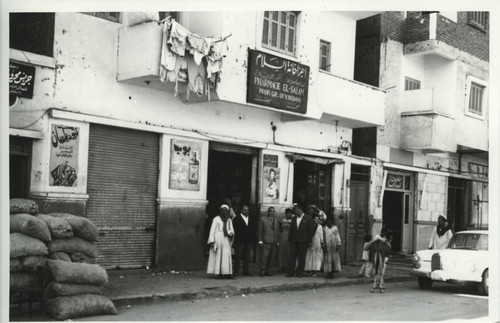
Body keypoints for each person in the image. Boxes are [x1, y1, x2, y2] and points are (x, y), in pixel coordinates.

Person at [206, 204, 235, 279]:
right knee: (218, 256)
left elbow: (231, 230)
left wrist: (231, 234)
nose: (224, 213)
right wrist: (212, 241)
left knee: (226, 256)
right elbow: (212, 231)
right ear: (220, 211)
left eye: (226, 211)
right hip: (218, 240)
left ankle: (226, 273)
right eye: (223, 211)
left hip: (226, 240)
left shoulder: (229, 220)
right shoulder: (216, 219)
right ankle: (218, 273)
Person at [287, 204, 315, 278]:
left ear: (300, 209)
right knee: (292, 257)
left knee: (301, 258)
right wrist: (290, 240)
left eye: (295, 209)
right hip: (294, 241)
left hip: (303, 241)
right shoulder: (294, 218)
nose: (294, 211)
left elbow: (311, 231)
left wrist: (309, 241)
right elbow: (291, 230)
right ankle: (291, 272)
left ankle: (300, 272)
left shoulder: (308, 218)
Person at [232, 204, 255, 276]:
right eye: (245, 210)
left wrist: (252, 241)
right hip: (239, 241)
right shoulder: (236, 219)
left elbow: (253, 231)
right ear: (241, 210)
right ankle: (235, 271)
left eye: (247, 210)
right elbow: (234, 231)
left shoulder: (251, 219)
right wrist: (234, 242)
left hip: (248, 241)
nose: (246, 211)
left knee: (247, 257)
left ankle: (246, 271)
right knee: (238, 257)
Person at [367, 228, 392, 292]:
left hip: (378, 256)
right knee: (380, 271)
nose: (384, 234)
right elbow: (389, 247)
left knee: (378, 271)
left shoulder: (382, 240)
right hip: (380, 256)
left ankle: (377, 285)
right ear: (383, 233)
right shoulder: (379, 238)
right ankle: (380, 285)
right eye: (384, 233)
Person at [257, 206, 280, 276]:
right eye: (270, 211)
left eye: (273, 211)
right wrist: (260, 240)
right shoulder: (262, 219)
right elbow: (259, 231)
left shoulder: (276, 220)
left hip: (274, 241)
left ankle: (268, 270)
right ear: (268, 212)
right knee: (264, 257)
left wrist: (277, 241)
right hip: (265, 241)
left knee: (272, 258)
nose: (272, 213)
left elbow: (277, 231)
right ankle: (262, 271)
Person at [278, 208, 293, 272]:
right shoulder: (283, 220)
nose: (288, 214)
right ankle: (282, 266)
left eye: (290, 213)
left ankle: (288, 266)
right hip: (282, 236)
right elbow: (280, 228)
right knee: (282, 252)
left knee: (289, 252)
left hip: (290, 237)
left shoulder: (294, 220)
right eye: (287, 213)